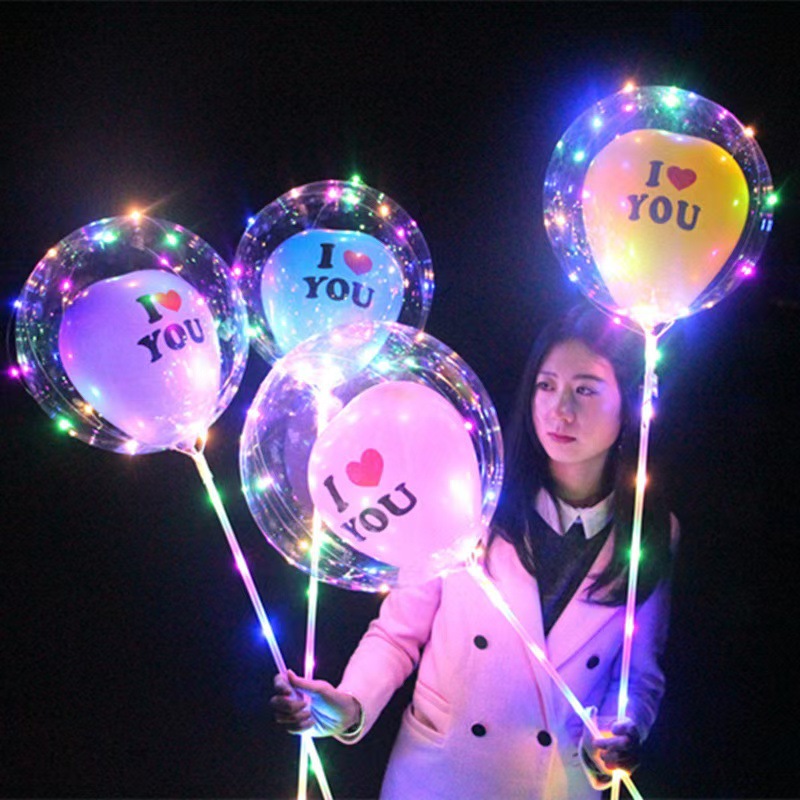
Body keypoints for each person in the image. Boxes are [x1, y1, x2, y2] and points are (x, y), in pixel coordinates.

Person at [270, 302, 679, 800]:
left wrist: (618, 734)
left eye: (585, 389)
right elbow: (398, 632)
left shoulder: (651, 530)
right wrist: (349, 705)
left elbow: (638, 673)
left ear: (631, 402)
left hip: (558, 786)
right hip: (439, 777)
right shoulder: (469, 488)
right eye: (546, 386)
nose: (560, 410)